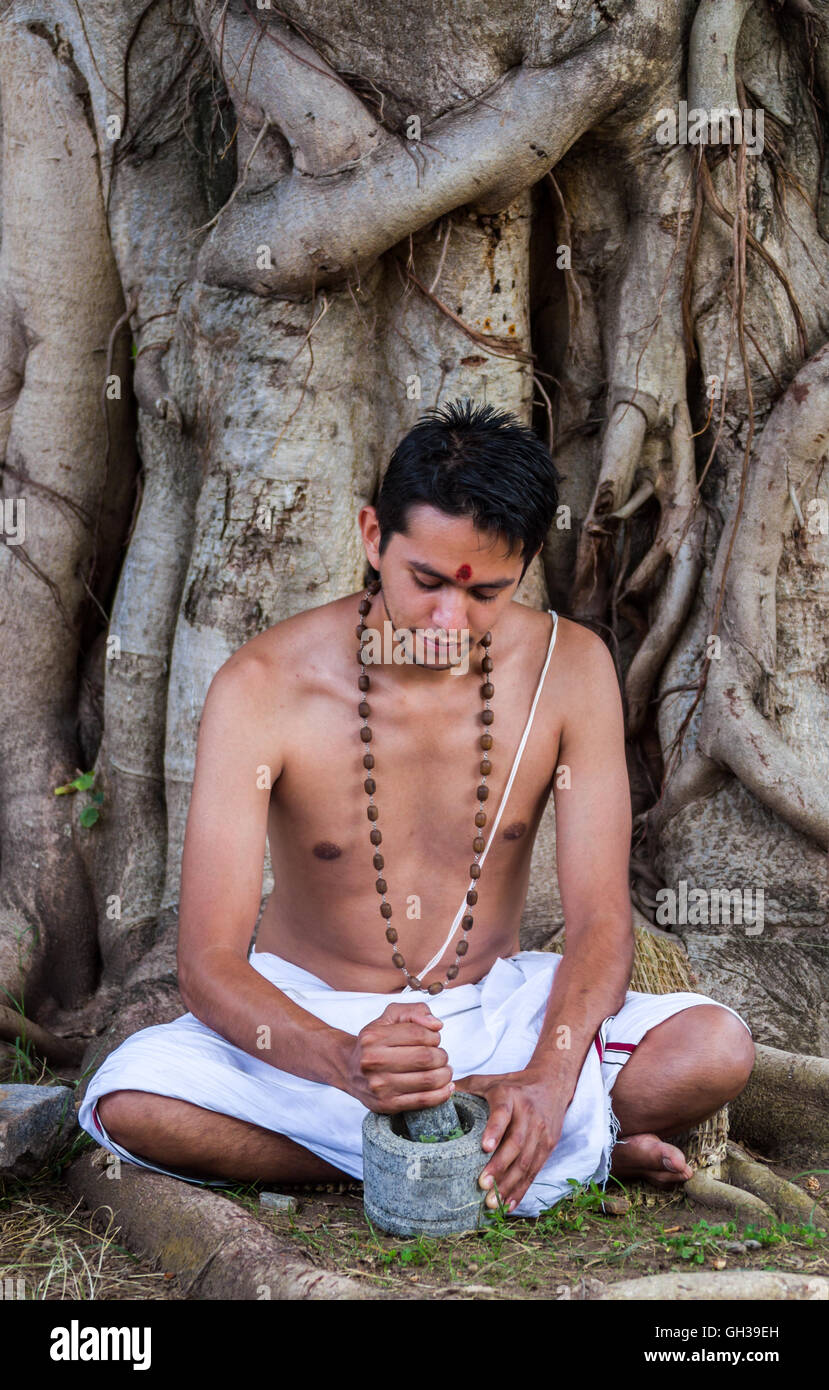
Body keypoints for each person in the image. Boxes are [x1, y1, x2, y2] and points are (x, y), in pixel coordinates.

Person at [78, 399, 754, 1218]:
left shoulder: (569, 670)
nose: (446, 621)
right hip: (314, 1025)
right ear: (372, 537)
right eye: (425, 581)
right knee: (134, 1103)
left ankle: (484, 1124)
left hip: (501, 1013)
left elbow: (602, 925)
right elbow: (209, 963)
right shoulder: (261, 686)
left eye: (485, 594)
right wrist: (344, 1061)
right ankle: (554, 1149)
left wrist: (546, 1075)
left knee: (712, 1049)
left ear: (528, 561)